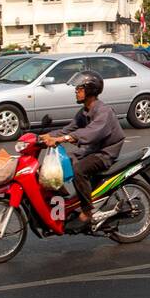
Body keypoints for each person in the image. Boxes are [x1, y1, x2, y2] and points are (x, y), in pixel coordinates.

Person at [41, 71, 125, 227]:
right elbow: (68, 129)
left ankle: (87, 211)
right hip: (90, 150)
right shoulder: (84, 111)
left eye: (79, 89)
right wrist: (44, 136)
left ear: (90, 91)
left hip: (104, 153)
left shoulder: (103, 111)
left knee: (79, 169)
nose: (76, 91)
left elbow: (91, 132)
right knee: (59, 164)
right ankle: (66, 201)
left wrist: (63, 139)